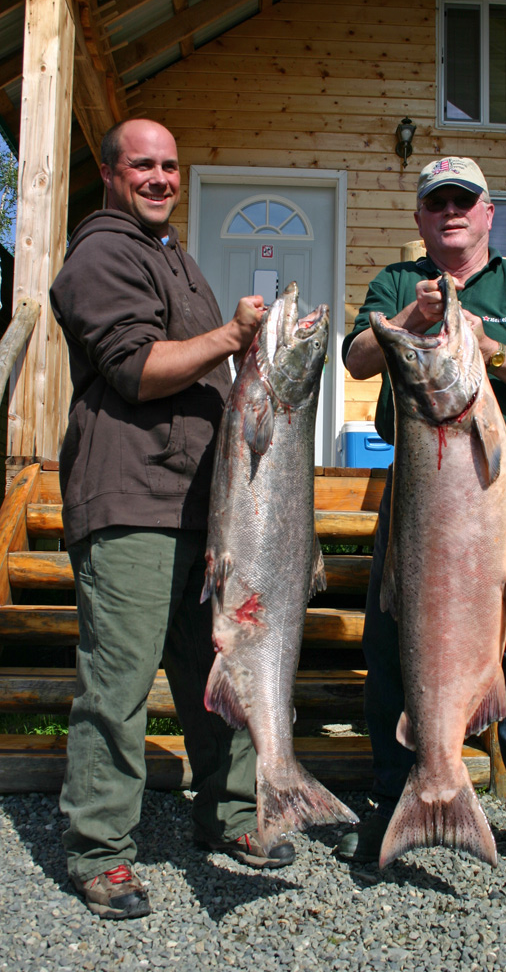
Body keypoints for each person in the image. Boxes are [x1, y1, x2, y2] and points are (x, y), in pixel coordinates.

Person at [50, 119, 295, 921]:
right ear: (110, 172)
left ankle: (226, 815)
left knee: (214, 675)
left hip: (202, 509)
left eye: (169, 166)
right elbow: (134, 369)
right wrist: (229, 335)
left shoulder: (172, 257)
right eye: (143, 165)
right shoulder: (102, 253)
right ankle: (100, 852)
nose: (159, 177)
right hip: (130, 502)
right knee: (118, 686)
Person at [338, 156, 506, 888]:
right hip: (421, 483)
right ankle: (401, 796)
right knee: (394, 634)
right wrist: (410, 320)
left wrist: (493, 351)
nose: (451, 210)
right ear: (421, 218)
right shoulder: (394, 283)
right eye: (436, 201)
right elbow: (357, 361)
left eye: (464, 200)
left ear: (486, 213)